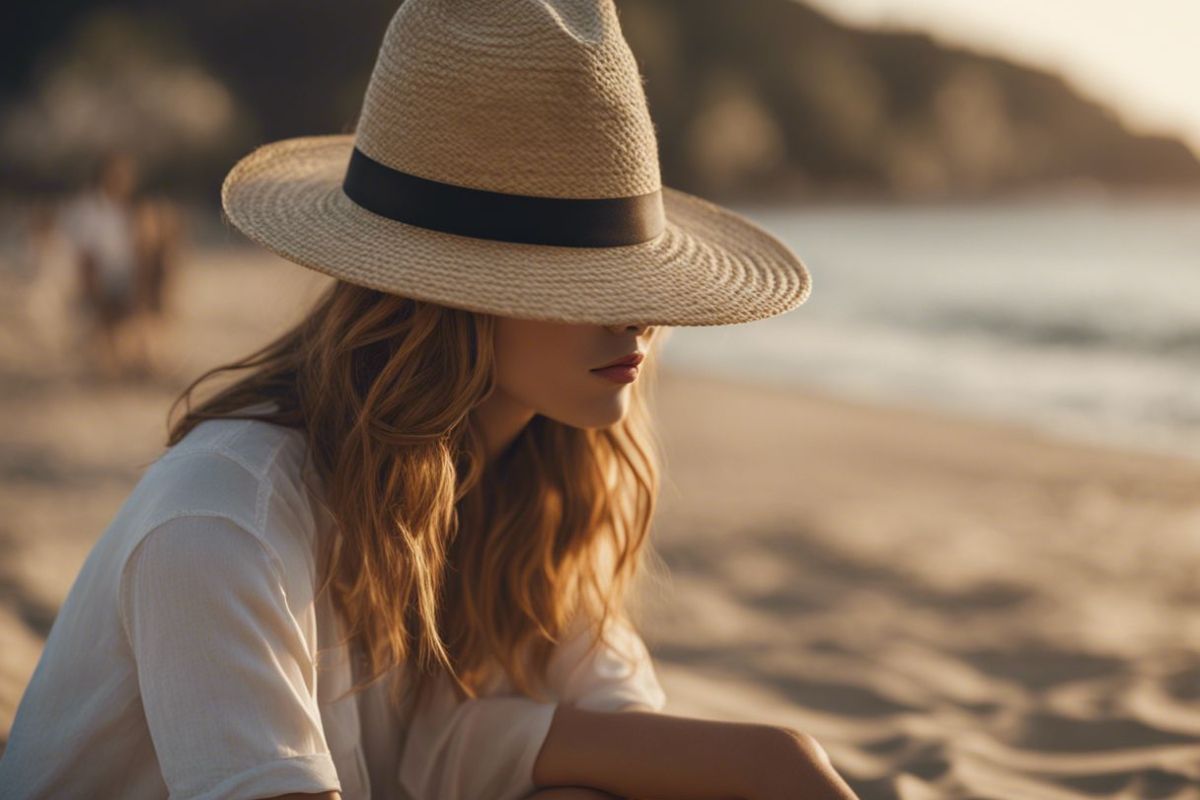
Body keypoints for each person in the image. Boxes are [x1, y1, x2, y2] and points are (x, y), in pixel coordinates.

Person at [0, 2, 857, 799]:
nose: (641, 314)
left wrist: (775, 758)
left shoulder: (532, 485)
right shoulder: (223, 519)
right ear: (443, 292)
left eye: (629, 270)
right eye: (583, 275)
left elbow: (613, 729)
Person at [57, 150, 151, 380]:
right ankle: (112, 364)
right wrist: (92, 289)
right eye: (120, 174)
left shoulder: (126, 209)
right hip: (98, 279)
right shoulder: (87, 210)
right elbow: (84, 258)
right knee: (109, 320)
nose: (126, 180)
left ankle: (128, 361)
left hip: (122, 278)